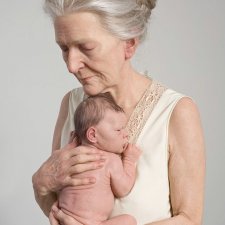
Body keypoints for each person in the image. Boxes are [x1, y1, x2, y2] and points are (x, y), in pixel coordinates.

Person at [32, 0, 205, 225]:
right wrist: (40, 184)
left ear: (129, 45)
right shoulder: (71, 103)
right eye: (64, 48)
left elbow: (190, 219)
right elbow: (61, 206)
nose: (71, 65)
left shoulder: (177, 112)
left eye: (86, 47)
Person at [57, 93, 140, 225]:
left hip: (61, 219)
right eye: (119, 130)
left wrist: (70, 145)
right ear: (93, 135)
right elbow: (123, 189)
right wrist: (130, 160)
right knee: (129, 221)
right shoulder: (109, 160)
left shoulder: (71, 156)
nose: (126, 134)